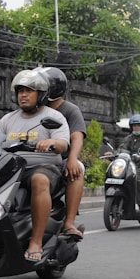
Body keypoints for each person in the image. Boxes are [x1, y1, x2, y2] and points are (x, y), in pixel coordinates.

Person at [0, 69, 70, 262]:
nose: (23, 95)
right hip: (12, 168)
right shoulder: (7, 119)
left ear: (41, 94)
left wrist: (51, 144)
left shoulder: (53, 117)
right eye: (20, 91)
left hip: (42, 167)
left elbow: (63, 144)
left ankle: (36, 241)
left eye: (29, 91)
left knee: (39, 180)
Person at [35, 67, 87, 240]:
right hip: (34, 159)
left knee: (77, 169)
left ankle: (69, 223)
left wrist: (72, 159)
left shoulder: (70, 110)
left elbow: (77, 137)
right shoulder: (35, 108)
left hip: (60, 160)